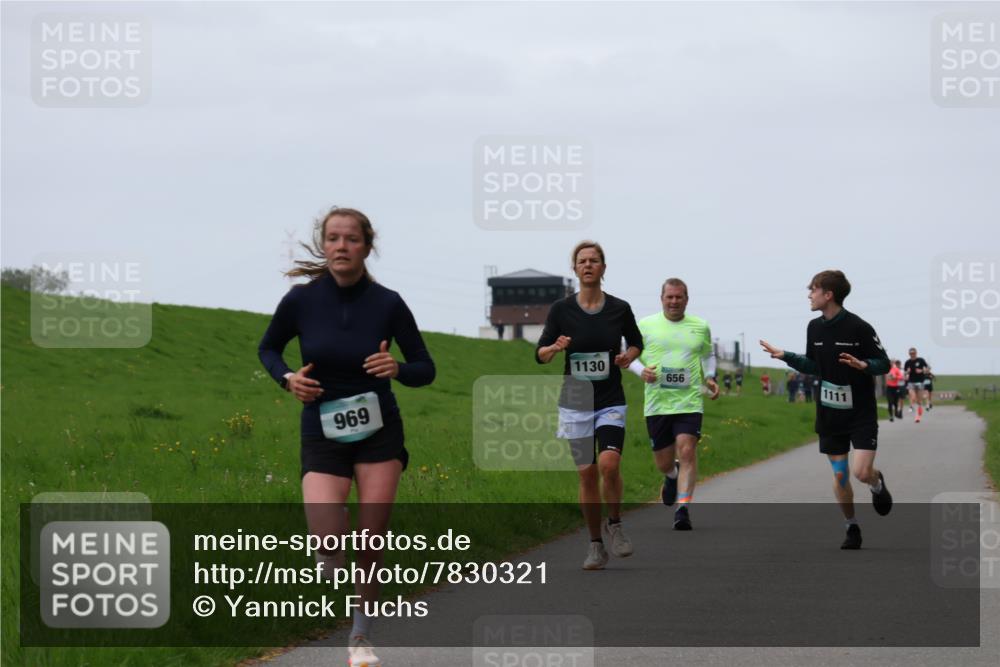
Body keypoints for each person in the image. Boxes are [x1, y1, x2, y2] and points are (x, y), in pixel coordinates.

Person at [258, 207, 435, 667]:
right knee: (327, 534)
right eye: (333, 238)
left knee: (370, 539)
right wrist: (288, 378)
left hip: (379, 430)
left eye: (351, 239)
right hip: (322, 426)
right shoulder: (301, 300)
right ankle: (329, 552)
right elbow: (268, 347)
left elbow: (425, 368)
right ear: (324, 245)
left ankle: (360, 637)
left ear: (367, 246)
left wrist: (397, 368)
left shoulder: (388, 303)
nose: (341, 246)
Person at [761, 269, 892, 550]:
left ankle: (877, 483)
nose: (809, 295)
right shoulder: (814, 327)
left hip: (860, 413)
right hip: (830, 413)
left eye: (813, 289)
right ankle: (851, 526)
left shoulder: (859, 327)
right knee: (841, 474)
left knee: (861, 472)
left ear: (828, 294)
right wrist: (786, 356)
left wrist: (864, 365)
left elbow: (884, 363)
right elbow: (814, 365)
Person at [536, 241, 643, 570]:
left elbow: (636, 342)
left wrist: (628, 356)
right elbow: (540, 354)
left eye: (594, 260)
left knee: (609, 465)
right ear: (574, 269)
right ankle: (595, 545)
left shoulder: (619, 308)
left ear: (603, 268)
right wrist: (555, 348)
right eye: (582, 261)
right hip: (575, 404)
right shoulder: (561, 310)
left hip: (610, 400)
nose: (587, 265)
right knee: (586, 474)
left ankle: (616, 524)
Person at [629, 278, 719, 530]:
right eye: (669, 297)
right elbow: (628, 356)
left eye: (679, 297)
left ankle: (682, 509)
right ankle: (671, 476)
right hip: (657, 404)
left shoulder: (700, 326)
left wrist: (710, 376)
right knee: (664, 463)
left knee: (687, 450)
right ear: (662, 299)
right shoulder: (645, 325)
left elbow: (708, 354)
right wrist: (640, 371)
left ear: (687, 299)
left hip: (689, 402)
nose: (674, 301)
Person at [903, 348, 931, 423]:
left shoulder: (921, 360)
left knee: (919, 401)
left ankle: (918, 417)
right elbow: (904, 373)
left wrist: (922, 370)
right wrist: (907, 372)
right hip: (911, 382)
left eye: (913, 353)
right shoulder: (907, 362)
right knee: (912, 396)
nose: (912, 355)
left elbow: (928, 369)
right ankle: (911, 407)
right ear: (909, 354)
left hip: (920, 382)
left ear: (916, 353)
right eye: (911, 353)